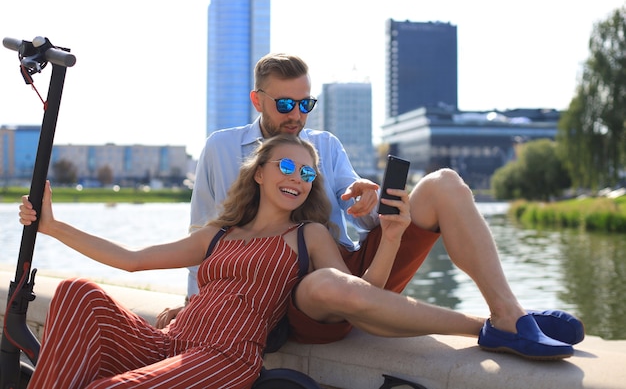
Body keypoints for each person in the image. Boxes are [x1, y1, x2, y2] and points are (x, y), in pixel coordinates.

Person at [159, 53, 583, 360]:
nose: (296, 116)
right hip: (300, 295)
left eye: (305, 104)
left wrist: (368, 198)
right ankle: (500, 326)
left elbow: (359, 220)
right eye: (284, 104)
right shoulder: (222, 147)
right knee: (328, 281)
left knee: (444, 184)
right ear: (258, 101)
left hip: (359, 270)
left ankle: (507, 312)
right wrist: (197, 307)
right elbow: (205, 236)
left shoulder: (325, 145)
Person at [19, 135, 417, 388]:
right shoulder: (220, 234)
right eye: (286, 166)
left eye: (307, 172)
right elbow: (131, 259)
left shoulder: (308, 234)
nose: (297, 177)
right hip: (170, 343)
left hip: (224, 357)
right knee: (76, 293)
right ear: (259, 174)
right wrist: (53, 228)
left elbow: (362, 297)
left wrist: (392, 238)